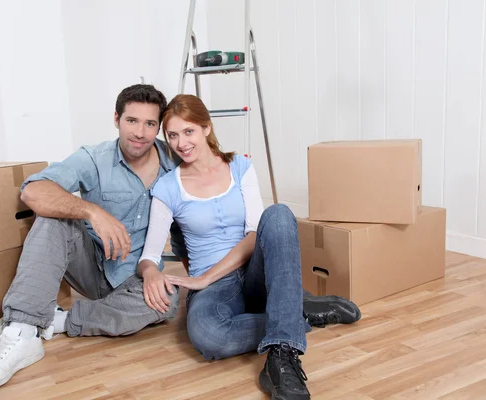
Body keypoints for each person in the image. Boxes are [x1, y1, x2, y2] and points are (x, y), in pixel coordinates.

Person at [0, 84, 187, 392]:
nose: (140, 132)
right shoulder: (94, 158)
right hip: (91, 265)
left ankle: (54, 322)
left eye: (150, 124)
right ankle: (20, 332)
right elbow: (33, 190)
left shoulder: (174, 163)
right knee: (53, 219)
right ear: (116, 119)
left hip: (137, 278)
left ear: (159, 126)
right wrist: (92, 212)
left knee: (167, 301)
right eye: (131, 121)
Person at [137, 94, 361, 399]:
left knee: (278, 214)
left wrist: (201, 277)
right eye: (172, 135)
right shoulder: (167, 188)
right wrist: (150, 271)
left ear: (206, 127)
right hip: (214, 288)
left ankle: (281, 356)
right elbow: (150, 255)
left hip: (255, 272)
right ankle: (294, 312)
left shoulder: (239, 166)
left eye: (188, 131)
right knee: (208, 336)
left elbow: (256, 234)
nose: (181, 143)